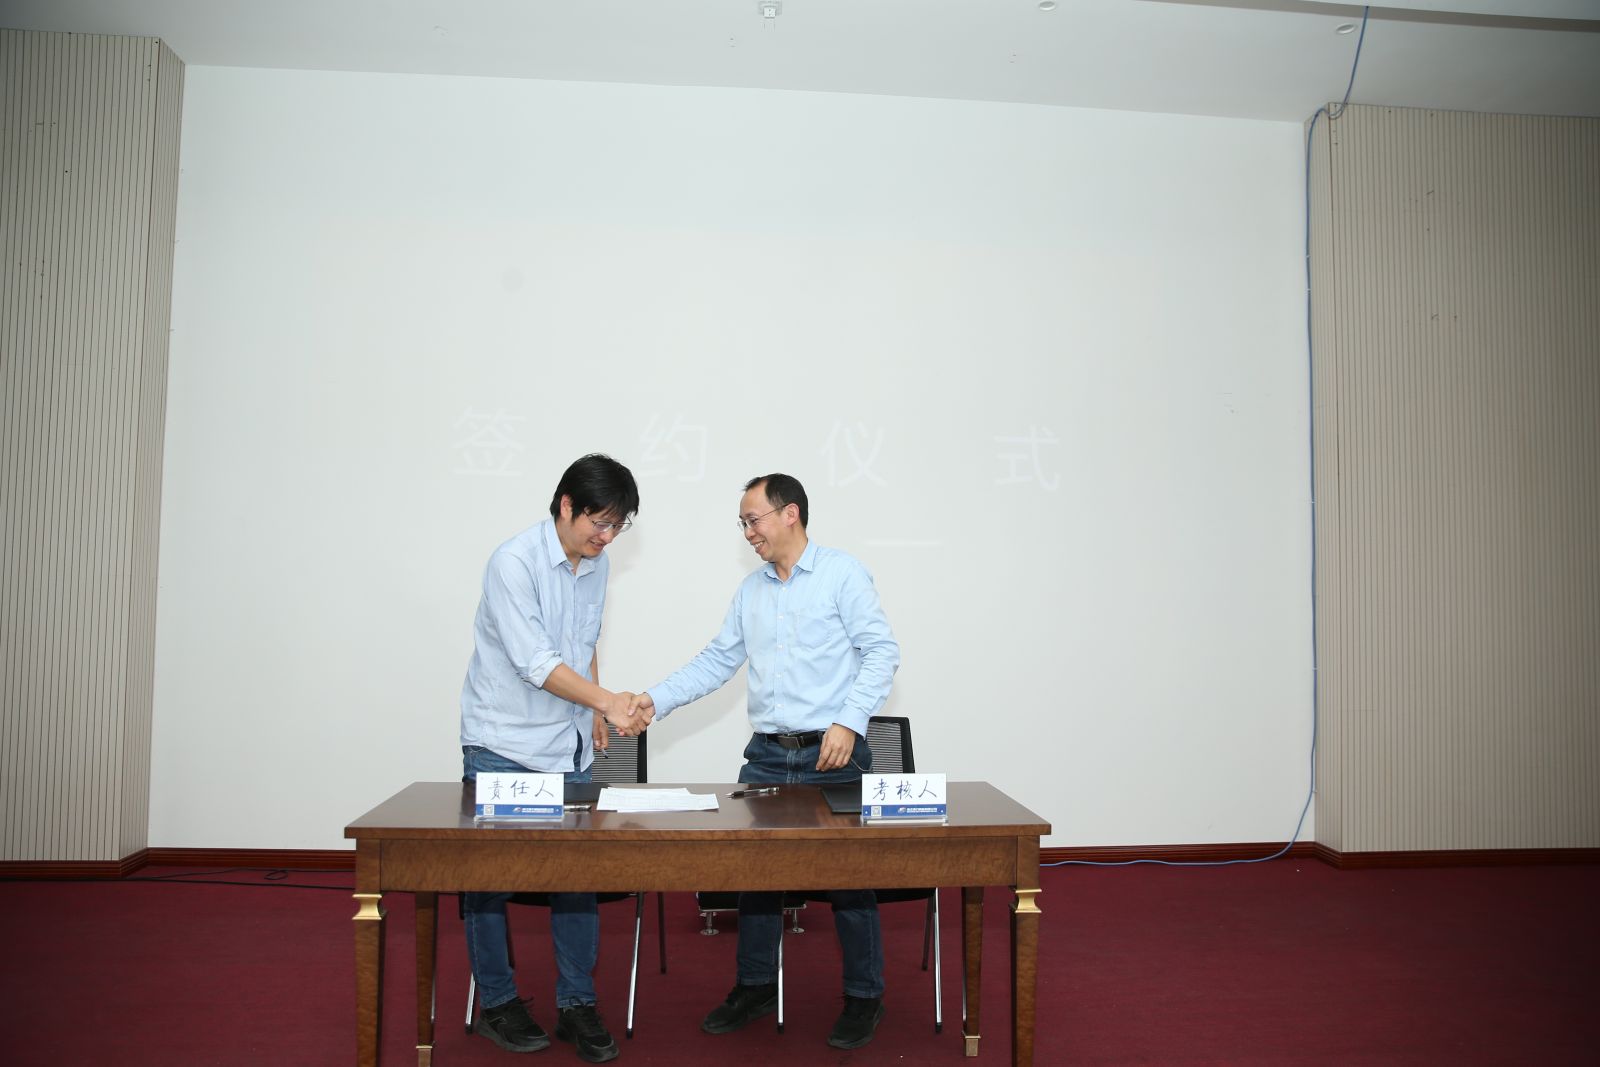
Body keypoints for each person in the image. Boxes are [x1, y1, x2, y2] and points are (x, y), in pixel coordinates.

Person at [633, 473, 900, 1050]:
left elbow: (881, 652)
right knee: (754, 877)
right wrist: (655, 700)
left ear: (790, 514)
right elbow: (715, 662)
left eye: (753, 519)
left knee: (849, 881)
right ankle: (754, 988)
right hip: (768, 758)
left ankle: (864, 996)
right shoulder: (751, 592)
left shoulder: (842, 574)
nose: (748, 532)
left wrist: (850, 720)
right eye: (743, 523)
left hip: (833, 756)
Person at [458, 453, 651, 1064]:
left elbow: (583, 642)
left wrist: (592, 708)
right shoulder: (513, 562)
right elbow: (535, 662)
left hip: (567, 749)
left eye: (618, 525)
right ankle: (498, 1002)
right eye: (601, 521)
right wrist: (609, 702)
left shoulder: (597, 563)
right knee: (488, 883)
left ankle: (577, 1004)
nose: (608, 536)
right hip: (504, 746)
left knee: (577, 880)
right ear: (566, 505)